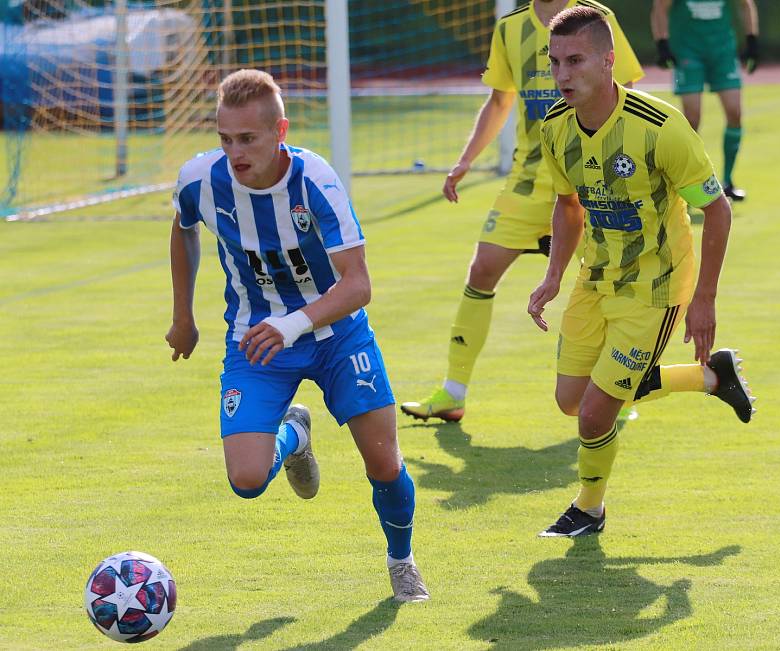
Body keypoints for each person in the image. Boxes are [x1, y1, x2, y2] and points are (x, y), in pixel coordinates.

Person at [166, 69, 429, 601]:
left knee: (383, 463)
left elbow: (358, 285)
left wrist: (290, 325)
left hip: (337, 337)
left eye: (247, 139)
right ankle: (296, 436)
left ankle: (400, 559)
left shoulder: (317, 182)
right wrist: (183, 316)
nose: (234, 152)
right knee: (246, 480)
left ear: (280, 131)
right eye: (224, 138)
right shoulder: (200, 179)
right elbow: (183, 227)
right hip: (255, 341)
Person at [527, 6, 756, 537]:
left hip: (656, 289)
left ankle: (588, 509)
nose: (562, 75)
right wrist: (554, 276)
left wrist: (703, 300)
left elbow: (717, 208)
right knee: (570, 401)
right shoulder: (556, 127)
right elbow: (567, 206)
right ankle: (710, 377)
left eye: (575, 60)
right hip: (594, 279)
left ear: (608, 61)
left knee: (593, 416)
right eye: (555, 62)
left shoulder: (659, 128)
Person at [400, 0, 643, 424]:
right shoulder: (510, 28)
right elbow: (499, 102)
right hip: (529, 183)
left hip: (590, 181)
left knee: (606, 286)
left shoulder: (593, 17)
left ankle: (611, 396)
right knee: (481, 271)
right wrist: (465, 160)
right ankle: (453, 392)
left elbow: (628, 89)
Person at [651, 0, 759, 201]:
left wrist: (752, 40)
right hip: (688, 51)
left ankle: (727, 181)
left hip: (723, 51)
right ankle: (689, 183)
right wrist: (662, 43)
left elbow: (746, 5)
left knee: (735, 112)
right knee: (692, 119)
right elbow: (660, 7)